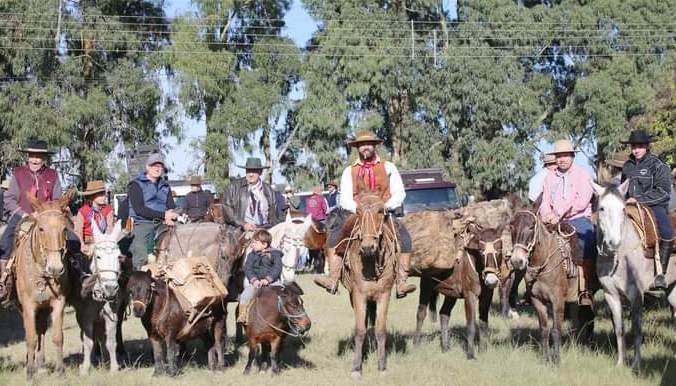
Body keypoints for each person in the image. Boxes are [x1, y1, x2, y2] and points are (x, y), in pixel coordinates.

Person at [314, 130, 416, 298]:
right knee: (334, 237)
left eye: (368, 144)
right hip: (357, 214)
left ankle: (401, 281)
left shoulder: (388, 167)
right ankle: (333, 278)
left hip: (383, 214)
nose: (365, 147)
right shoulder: (349, 171)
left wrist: (384, 207)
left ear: (374, 146)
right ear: (357, 148)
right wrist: (360, 210)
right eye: (362, 145)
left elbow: (400, 193)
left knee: (404, 237)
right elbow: (345, 198)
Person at [0, 139, 64, 301]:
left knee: (72, 238)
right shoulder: (18, 173)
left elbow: (57, 199)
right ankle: (4, 282)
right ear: (27, 157)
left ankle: (77, 282)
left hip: (48, 220)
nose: (35, 160)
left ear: (44, 158)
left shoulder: (53, 175)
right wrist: (24, 215)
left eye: (39, 156)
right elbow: (9, 199)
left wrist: (49, 214)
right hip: (23, 217)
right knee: (6, 242)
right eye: (32, 156)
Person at [539, 139, 596, 305]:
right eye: (559, 156)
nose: (562, 159)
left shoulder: (583, 174)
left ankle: (586, 288)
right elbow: (545, 200)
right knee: (533, 241)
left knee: (588, 243)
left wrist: (559, 213)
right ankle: (534, 285)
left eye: (565, 155)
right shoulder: (550, 177)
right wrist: (547, 214)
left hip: (577, 218)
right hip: (553, 219)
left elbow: (582, 201)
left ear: (572, 156)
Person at [620, 130, 673, 290]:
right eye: (634, 146)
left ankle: (661, 274)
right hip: (629, 206)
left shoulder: (658, 165)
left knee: (667, 232)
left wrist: (639, 200)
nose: (636, 150)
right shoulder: (627, 166)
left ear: (647, 147)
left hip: (654, 206)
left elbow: (664, 191)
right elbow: (623, 188)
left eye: (640, 146)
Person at [126, 153, 177, 270]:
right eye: (154, 165)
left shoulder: (165, 186)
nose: (157, 168)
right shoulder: (136, 185)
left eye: (160, 166)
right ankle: (139, 276)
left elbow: (170, 206)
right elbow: (139, 209)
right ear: (147, 167)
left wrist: (171, 215)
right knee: (141, 256)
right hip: (142, 223)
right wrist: (164, 215)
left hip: (163, 223)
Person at [222, 157, 281, 232]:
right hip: (241, 232)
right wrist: (243, 224)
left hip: (265, 230)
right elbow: (227, 211)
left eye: (254, 171)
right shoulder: (232, 187)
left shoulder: (268, 189)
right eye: (248, 171)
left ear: (260, 172)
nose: (251, 174)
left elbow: (274, 215)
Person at [237, 229, 283, 323]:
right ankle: (243, 316)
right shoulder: (251, 255)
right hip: (256, 283)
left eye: (255, 243)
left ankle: (286, 317)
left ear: (264, 244)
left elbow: (277, 268)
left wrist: (268, 279)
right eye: (252, 242)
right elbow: (248, 268)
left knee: (283, 296)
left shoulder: (275, 254)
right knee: (245, 296)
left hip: (273, 282)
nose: (252, 245)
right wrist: (254, 280)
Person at [74, 180, 114, 256]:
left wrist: (105, 242)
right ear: (92, 196)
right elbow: (78, 230)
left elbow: (110, 227)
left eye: (104, 193)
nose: (104, 196)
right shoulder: (83, 211)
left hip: (104, 241)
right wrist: (82, 244)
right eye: (101, 194)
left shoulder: (108, 209)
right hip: (87, 243)